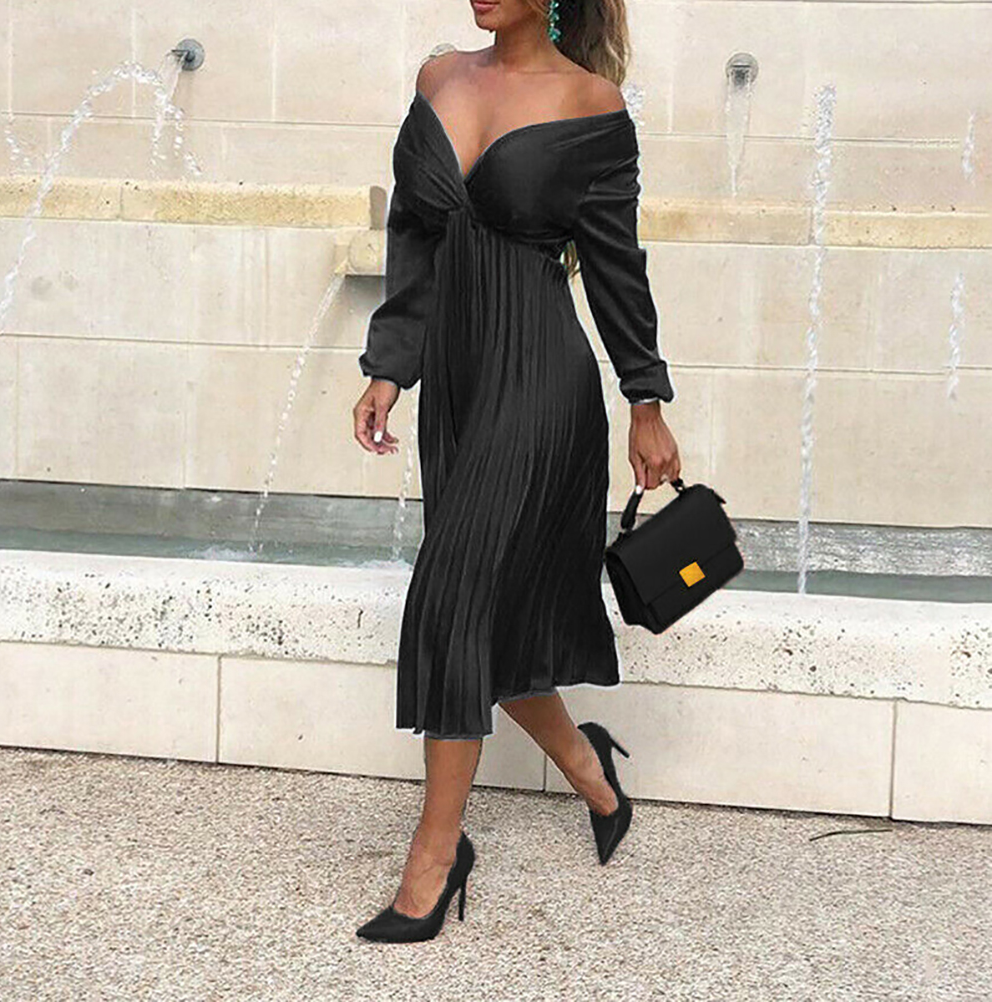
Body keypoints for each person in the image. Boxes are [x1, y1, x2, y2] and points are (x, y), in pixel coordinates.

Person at [351, 0, 680, 943]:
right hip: (457, 384)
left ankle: (436, 855)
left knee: (453, 593)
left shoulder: (591, 104)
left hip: (540, 378)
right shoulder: (439, 76)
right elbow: (413, 239)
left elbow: (615, 264)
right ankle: (590, 770)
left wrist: (645, 399)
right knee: (487, 616)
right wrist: (390, 366)